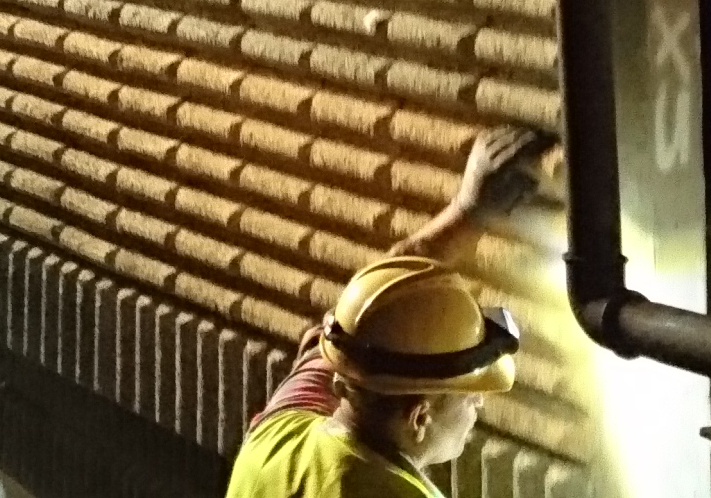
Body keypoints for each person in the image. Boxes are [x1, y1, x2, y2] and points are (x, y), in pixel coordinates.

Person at [228, 124, 555, 498]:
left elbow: (371, 311)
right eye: (469, 394)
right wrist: (468, 209)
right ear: (419, 417)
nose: (479, 402)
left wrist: (467, 212)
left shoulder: (277, 439)